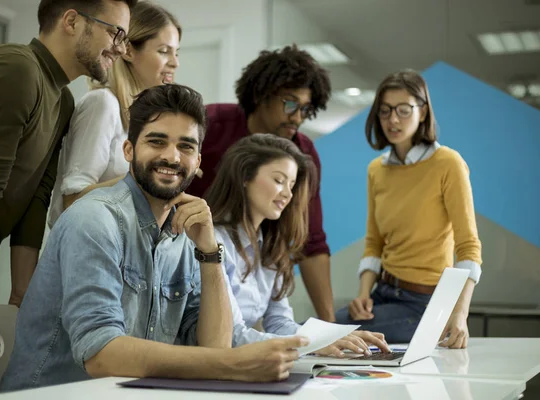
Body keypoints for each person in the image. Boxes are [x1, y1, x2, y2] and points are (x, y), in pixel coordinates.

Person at [0, 85, 309, 392]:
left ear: (198, 161)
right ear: (129, 150)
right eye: (157, 141)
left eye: (186, 147)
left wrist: (210, 253)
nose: (172, 157)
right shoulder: (94, 220)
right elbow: (100, 354)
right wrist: (235, 365)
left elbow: (214, 344)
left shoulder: (186, 235)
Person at [0, 0, 135, 352]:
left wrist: (22, 296)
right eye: (115, 33)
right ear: (72, 21)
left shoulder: (63, 102)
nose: (121, 49)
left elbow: (35, 202)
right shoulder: (15, 68)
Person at [186, 45, 336, 322]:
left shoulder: (303, 153)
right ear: (262, 94)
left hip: (250, 260)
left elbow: (312, 243)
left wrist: (331, 331)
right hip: (188, 258)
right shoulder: (211, 124)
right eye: (290, 103)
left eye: (306, 109)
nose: (298, 117)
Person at [334, 70, 482, 348]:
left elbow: (469, 247)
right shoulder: (376, 170)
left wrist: (458, 315)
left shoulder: (447, 163)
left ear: (423, 112)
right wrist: (363, 294)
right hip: (383, 293)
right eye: (385, 111)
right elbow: (374, 242)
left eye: (404, 110)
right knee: (325, 329)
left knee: (325, 331)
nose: (393, 119)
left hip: (424, 304)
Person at [205, 133, 389, 356]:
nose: (287, 194)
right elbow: (232, 336)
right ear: (245, 176)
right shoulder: (211, 243)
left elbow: (280, 322)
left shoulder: (271, 246)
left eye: (291, 185)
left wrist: (331, 336)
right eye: (279, 180)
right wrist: (312, 345)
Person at [48, 1, 181, 226]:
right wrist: (147, 178)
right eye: (164, 51)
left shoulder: (139, 120)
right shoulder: (103, 103)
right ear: (128, 50)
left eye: (176, 53)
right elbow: (71, 199)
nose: (175, 63)